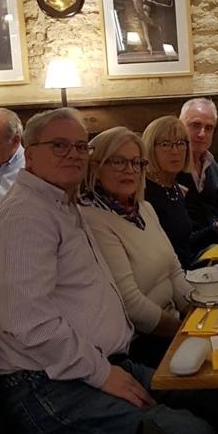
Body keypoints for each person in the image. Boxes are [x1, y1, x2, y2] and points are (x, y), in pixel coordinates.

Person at [0, 107, 218, 434]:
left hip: (98, 364)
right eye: (59, 145)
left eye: (79, 146)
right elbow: (32, 325)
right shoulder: (24, 219)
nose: (72, 153)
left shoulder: (60, 203)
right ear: (29, 150)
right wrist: (104, 375)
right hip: (48, 386)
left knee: (212, 397)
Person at [79, 126, 190, 367]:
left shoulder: (144, 210)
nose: (129, 170)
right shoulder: (92, 219)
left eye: (136, 163)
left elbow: (175, 272)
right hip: (143, 343)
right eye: (117, 162)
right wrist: (185, 331)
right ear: (95, 167)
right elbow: (131, 306)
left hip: (175, 324)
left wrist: (199, 314)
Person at [143, 115, 218, 269]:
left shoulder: (173, 188)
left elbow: (185, 241)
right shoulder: (146, 194)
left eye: (180, 143)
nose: (175, 151)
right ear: (150, 148)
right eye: (165, 144)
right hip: (177, 277)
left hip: (189, 268)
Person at [177, 98, 218, 231]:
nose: (202, 134)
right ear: (179, 126)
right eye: (195, 125)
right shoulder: (171, 167)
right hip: (193, 248)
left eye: (208, 128)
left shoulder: (211, 163)